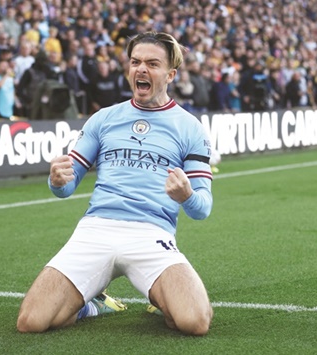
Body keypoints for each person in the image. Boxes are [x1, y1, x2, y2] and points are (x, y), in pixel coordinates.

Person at [16, 31, 214, 336]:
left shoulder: (190, 127)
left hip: (151, 234)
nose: (141, 70)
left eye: (152, 63)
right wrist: (56, 180)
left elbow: (202, 208)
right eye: (135, 62)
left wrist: (187, 195)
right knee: (31, 322)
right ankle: (91, 304)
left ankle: (159, 297)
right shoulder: (104, 118)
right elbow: (66, 186)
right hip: (96, 230)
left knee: (194, 321)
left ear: (170, 74)